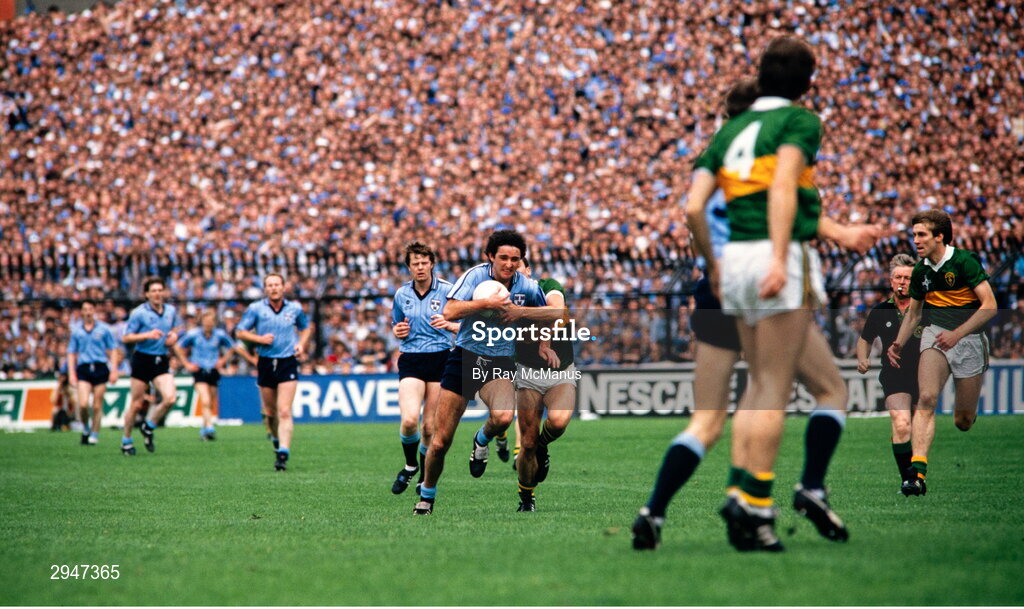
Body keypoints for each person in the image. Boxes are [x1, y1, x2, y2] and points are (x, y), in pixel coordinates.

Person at [632, 77, 877, 551]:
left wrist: (712, 265)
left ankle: (655, 510)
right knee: (815, 389)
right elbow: (784, 207)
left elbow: (693, 219)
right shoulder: (767, 159)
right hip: (760, 282)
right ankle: (793, 489)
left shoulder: (715, 158)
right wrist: (842, 233)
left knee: (707, 419)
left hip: (715, 288)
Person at [413, 229, 561, 515]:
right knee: (441, 440)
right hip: (465, 358)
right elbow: (450, 312)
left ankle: (481, 438)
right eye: (503, 257)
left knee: (504, 418)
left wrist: (544, 344)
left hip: (500, 362)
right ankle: (427, 495)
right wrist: (486, 304)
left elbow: (550, 313)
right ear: (491, 256)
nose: (508, 263)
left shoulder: (526, 287)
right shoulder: (475, 277)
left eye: (515, 259)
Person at [886, 209, 996, 496]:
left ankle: (968, 415)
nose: (916, 240)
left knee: (962, 422)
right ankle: (917, 475)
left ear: (940, 236)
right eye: (914, 235)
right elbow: (914, 314)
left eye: (921, 235)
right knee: (926, 397)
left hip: (969, 338)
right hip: (936, 335)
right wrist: (898, 342)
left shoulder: (964, 262)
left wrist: (957, 334)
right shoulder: (921, 271)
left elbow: (990, 306)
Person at [389, 242, 458, 494]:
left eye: (424, 262)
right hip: (412, 359)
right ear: (409, 267)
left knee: (430, 427)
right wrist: (397, 331)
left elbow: (467, 324)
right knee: (409, 421)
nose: (420, 267)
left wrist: (451, 326)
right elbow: (396, 325)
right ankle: (409, 466)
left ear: (432, 264)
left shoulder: (449, 292)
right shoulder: (401, 294)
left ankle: (421, 477)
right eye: (414, 263)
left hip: (441, 359)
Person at [511, 257, 577, 511]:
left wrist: (545, 342)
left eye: (518, 267)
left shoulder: (548, 285)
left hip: (559, 370)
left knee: (558, 422)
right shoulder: (504, 299)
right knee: (526, 442)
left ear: (528, 270)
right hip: (527, 373)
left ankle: (543, 446)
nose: (514, 273)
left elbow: (558, 311)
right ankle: (527, 499)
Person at [856, 254, 923, 489]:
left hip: (924, 374)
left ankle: (917, 472)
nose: (902, 282)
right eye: (898, 277)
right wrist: (863, 358)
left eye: (907, 277)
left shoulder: (926, 308)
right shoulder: (880, 311)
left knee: (914, 427)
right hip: (894, 375)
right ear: (890, 280)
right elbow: (864, 339)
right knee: (901, 422)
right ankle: (908, 478)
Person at [235, 274, 312, 472]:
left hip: (287, 361)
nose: (274, 288)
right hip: (266, 362)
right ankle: (277, 440)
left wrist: (301, 345)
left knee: (284, 410)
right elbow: (240, 331)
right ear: (265, 289)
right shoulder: (256, 309)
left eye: (277, 284)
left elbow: (305, 328)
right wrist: (259, 339)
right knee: (270, 413)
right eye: (270, 285)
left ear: (283, 287)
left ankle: (283, 453)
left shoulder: (294, 308)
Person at [120, 276, 184, 456]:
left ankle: (148, 426)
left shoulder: (170, 310)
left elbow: (175, 330)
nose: (157, 294)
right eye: (153, 291)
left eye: (159, 290)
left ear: (164, 292)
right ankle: (126, 440)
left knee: (170, 398)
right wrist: (147, 335)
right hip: (142, 359)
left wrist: (174, 336)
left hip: (160, 359)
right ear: (147, 294)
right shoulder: (139, 313)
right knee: (136, 404)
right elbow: (126, 337)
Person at [173, 310, 236, 441]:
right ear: (202, 322)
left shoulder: (219, 334)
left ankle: (204, 428)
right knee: (205, 399)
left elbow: (232, 346)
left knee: (210, 401)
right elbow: (178, 347)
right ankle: (210, 427)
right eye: (206, 321)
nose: (208, 324)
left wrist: (223, 361)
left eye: (211, 321)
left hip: (213, 370)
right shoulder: (194, 334)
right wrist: (187, 364)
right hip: (199, 369)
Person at [67, 300, 119, 445]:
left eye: (90, 309)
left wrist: (114, 370)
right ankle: (86, 428)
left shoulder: (104, 329)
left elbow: (113, 349)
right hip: (84, 368)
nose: (88, 312)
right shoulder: (77, 331)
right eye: (85, 309)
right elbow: (71, 352)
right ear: (82, 312)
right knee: (83, 404)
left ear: (94, 311)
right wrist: (71, 373)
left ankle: (94, 434)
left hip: (100, 367)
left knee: (97, 405)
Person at [50, 367, 76, 432]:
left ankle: (66, 425)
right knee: (55, 410)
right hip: (60, 410)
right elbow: (53, 401)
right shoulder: (57, 388)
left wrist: (68, 392)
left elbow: (74, 402)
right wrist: (58, 388)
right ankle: (56, 425)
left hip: (70, 412)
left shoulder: (70, 388)